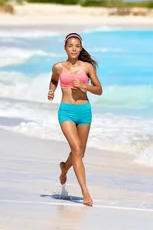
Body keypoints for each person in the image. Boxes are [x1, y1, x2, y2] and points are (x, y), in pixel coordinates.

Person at [47, 32, 103, 206]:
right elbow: (53, 80)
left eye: (77, 46)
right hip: (66, 112)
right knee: (76, 149)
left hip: (84, 112)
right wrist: (51, 91)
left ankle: (64, 168)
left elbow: (99, 89)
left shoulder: (87, 68)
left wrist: (85, 86)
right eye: (70, 45)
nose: (73, 48)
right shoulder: (58, 67)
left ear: (80, 49)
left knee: (80, 153)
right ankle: (85, 192)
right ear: (65, 48)